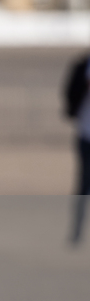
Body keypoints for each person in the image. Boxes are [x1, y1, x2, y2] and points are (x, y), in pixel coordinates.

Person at [64, 53, 90, 242]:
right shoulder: (82, 65)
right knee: (83, 184)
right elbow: (70, 94)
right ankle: (77, 231)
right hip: (85, 134)